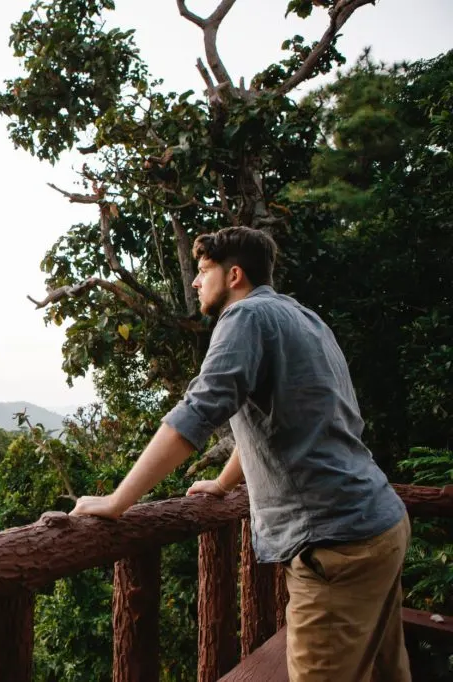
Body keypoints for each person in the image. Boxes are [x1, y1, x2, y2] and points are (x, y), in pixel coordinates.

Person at [69, 226, 411, 682]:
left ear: (233, 275)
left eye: (203, 271)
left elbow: (198, 411)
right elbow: (282, 422)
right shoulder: (303, 317)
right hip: (380, 523)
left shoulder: (244, 318)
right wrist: (225, 482)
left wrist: (118, 501)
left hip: (335, 545)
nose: (195, 282)